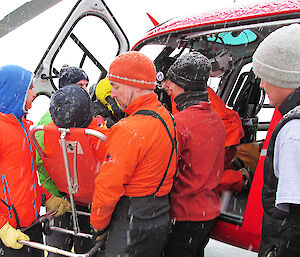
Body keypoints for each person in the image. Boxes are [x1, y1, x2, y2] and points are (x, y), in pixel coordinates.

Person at [90, 51, 177, 257]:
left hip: (131, 221)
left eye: (117, 86)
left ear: (137, 85)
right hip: (159, 216)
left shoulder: (129, 129)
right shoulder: (165, 116)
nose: (112, 93)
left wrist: (98, 224)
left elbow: (109, 186)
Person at [0, 65, 70, 257]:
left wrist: (46, 198)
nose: (34, 93)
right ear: (15, 91)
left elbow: (24, 180)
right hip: (8, 234)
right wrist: (1, 227)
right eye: (29, 88)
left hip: (30, 228)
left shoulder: (25, 127)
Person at [156, 56, 251, 193]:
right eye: (161, 82)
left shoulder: (182, 95)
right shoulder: (192, 88)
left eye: (167, 81)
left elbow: (184, 126)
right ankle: (228, 167)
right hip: (226, 136)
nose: (164, 86)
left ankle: (240, 178)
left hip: (224, 137)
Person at [162, 52, 225, 257]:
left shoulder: (180, 124)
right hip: (208, 210)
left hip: (184, 214)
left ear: (183, 85)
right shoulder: (214, 118)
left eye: (172, 81)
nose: (168, 86)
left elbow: (164, 170)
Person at [35, 66, 100, 257]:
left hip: (79, 195)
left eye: (87, 85)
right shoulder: (50, 121)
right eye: (80, 85)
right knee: (60, 247)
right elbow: (39, 159)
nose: (85, 90)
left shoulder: (86, 117)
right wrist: (60, 176)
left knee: (80, 245)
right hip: (61, 195)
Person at [252, 24, 300, 257]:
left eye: (264, 77)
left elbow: (294, 219)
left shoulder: (294, 132)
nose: (261, 85)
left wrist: (276, 251)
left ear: (283, 76)